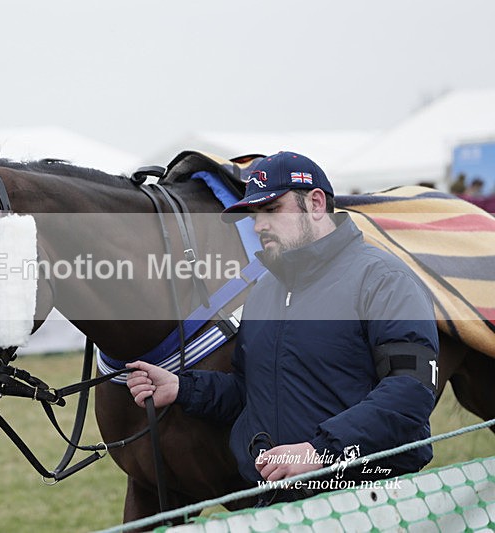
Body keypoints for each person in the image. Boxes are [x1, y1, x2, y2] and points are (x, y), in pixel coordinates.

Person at [127, 151, 438, 505]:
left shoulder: (384, 279)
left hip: (366, 500)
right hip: (274, 506)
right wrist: (183, 388)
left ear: (316, 203)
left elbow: (410, 393)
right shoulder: (265, 291)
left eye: (272, 209)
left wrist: (320, 453)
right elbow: (251, 391)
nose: (259, 225)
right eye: (255, 214)